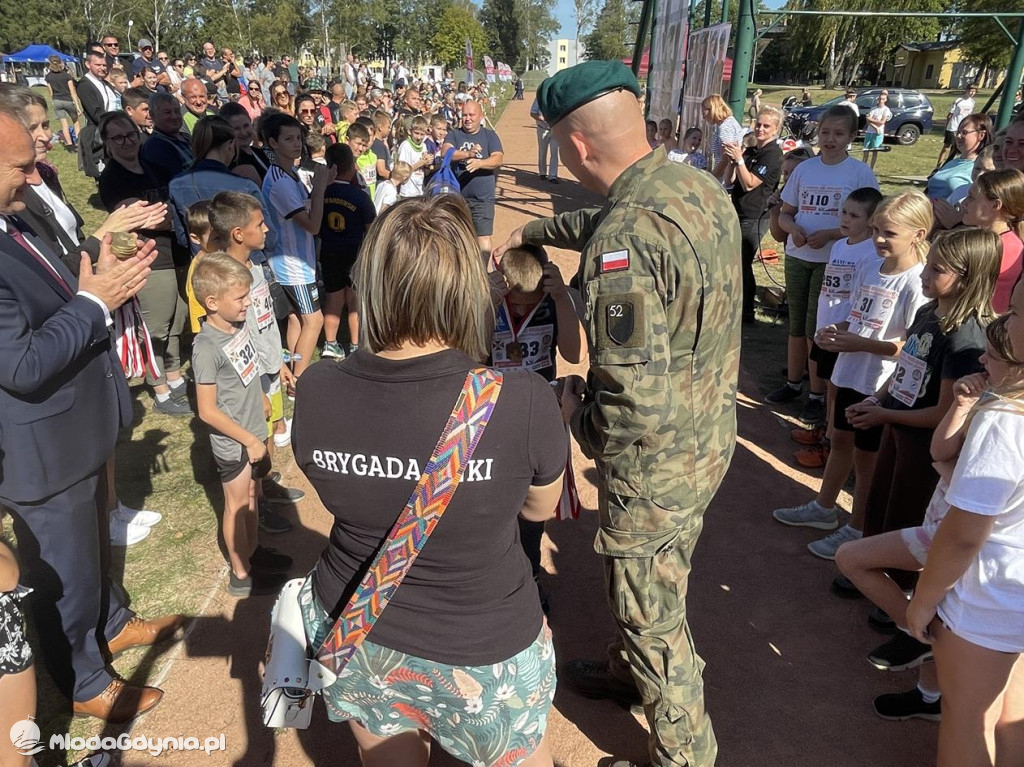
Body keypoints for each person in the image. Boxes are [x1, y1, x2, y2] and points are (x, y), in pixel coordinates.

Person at [494, 60, 740, 767]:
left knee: (650, 611)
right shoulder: (692, 185)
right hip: (706, 438)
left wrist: (573, 416)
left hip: (653, 463)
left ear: (573, 147)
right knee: (665, 574)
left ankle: (684, 753)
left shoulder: (621, 247)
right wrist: (532, 232)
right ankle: (628, 667)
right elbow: (603, 214)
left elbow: (632, 400)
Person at [292, 193, 564, 767]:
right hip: (487, 644)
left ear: (371, 281)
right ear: (469, 289)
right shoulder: (522, 399)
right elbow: (539, 512)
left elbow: (342, 487)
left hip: (357, 628)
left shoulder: (315, 389)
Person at [0, 109, 183, 722]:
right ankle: (83, 680)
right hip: (43, 447)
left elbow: (58, 279)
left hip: (75, 426)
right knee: (63, 570)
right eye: (20, 167)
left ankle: (113, 620)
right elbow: (21, 364)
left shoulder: (14, 218)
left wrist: (101, 247)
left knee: (91, 550)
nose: (31, 179)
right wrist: (95, 301)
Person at [837, 313, 1011, 722]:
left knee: (853, 558)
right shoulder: (986, 401)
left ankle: (918, 636)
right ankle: (927, 691)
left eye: (992, 356)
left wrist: (952, 470)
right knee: (930, 609)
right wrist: (962, 406)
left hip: (959, 537)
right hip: (941, 524)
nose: (981, 362)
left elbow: (978, 492)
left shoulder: (1007, 422)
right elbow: (939, 451)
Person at [905, 276, 1024, 766]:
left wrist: (922, 604)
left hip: (988, 600)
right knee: (1007, 717)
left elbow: (963, 534)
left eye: (1015, 312)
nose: (1003, 320)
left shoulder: (1005, 419)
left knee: (966, 719)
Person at [773, 192, 931, 561]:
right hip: (848, 370)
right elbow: (859, 315)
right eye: (875, 229)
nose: (878, 239)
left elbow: (910, 345)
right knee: (839, 440)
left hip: (878, 383)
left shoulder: (914, 283)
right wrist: (837, 330)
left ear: (918, 235)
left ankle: (857, 526)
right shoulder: (869, 266)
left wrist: (859, 342)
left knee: (867, 460)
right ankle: (824, 507)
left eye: (888, 233)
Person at [488, 244, 586, 609]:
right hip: (492, 418)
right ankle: (493, 580)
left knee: (532, 514)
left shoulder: (551, 301)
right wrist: (486, 302)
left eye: (531, 303)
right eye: (516, 303)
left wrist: (561, 298)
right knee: (494, 508)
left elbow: (575, 354)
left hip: (537, 416)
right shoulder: (491, 302)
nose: (522, 309)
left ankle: (528, 579)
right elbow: (465, 352)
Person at [769, 105, 879, 425]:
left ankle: (817, 394)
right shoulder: (805, 169)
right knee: (796, 323)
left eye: (838, 133)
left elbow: (870, 217)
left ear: (852, 136)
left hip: (835, 261)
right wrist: (794, 230)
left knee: (818, 327)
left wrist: (830, 233)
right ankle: (793, 382)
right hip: (798, 255)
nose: (830, 139)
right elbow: (787, 211)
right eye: (825, 132)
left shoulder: (858, 172)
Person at [191, 253, 290, 596]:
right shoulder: (205, 348)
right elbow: (207, 410)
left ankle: (254, 552)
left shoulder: (236, 327)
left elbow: (246, 372)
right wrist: (248, 440)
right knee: (235, 504)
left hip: (253, 430)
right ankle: (240, 571)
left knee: (251, 497)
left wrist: (262, 397)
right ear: (213, 302)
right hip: (236, 442)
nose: (249, 303)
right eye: (241, 298)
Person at [98, 112, 191, 417]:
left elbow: (171, 210)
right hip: (147, 257)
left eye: (131, 135)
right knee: (155, 327)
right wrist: (167, 219)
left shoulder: (152, 167)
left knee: (177, 320)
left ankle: (174, 374)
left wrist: (168, 218)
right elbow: (140, 219)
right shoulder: (113, 178)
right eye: (118, 137)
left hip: (175, 251)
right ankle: (159, 388)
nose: (127, 142)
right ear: (107, 144)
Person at [792, 187, 883, 469]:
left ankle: (830, 444)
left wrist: (845, 328)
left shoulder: (871, 254)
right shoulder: (841, 245)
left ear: (871, 221)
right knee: (829, 385)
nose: (845, 219)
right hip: (825, 324)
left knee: (837, 388)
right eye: (843, 212)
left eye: (854, 215)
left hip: (845, 332)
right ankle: (825, 430)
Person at [262, 112, 335, 379]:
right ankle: (301, 381)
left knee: (295, 318)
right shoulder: (280, 182)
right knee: (313, 321)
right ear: (272, 142)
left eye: (298, 138)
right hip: (292, 264)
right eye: (288, 139)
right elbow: (313, 225)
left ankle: (295, 370)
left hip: (292, 260)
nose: (296, 144)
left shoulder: (288, 173)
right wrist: (320, 188)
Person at [168, 115, 275, 256]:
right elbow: (269, 237)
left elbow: (183, 238)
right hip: (245, 266)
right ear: (231, 145)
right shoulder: (245, 186)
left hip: (205, 265)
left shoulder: (177, 184)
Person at [725, 105, 783, 324]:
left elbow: (750, 184)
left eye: (766, 126)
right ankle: (737, 307)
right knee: (735, 260)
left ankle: (746, 312)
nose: (760, 129)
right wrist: (732, 160)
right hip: (738, 210)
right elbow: (731, 180)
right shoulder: (750, 150)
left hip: (756, 214)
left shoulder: (773, 155)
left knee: (743, 261)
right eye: (758, 124)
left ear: (775, 129)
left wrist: (740, 160)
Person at [319, 143, 375, 359]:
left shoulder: (322, 194)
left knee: (333, 298)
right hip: (354, 255)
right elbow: (372, 229)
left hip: (329, 252)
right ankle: (355, 344)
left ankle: (330, 343)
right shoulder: (359, 196)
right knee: (354, 300)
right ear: (352, 166)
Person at [441, 100, 504, 252]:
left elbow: (498, 158)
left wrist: (480, 163)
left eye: (471, 115)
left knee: (483, 237)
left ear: (481, 116)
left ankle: (483, 270)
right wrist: (467, 154)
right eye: (464, 115)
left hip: (482, 197)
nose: (468, 119)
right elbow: (446, 153)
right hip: (458, 196)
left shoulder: (490, 136)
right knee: (457, 237)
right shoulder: (454, 134)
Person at [961, 168, 1024, 313]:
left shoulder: (1004, 246)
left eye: (971, 197)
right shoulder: (999, 239)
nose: (964, 203)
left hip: (984, 328)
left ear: (995, 205)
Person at [927, 113, 991, 201]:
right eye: (958, 132)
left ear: (981, 135)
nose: (958, 136)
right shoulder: (952, 163)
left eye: (964, 132)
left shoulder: (980, 167)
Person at [77, 48, 119, 179]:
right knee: (105, 173)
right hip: (99, 134)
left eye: (104, 65)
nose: (102, 68)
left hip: (115, 130)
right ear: (88, 64)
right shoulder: (85, 85)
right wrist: (116, 121)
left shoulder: (105, 83)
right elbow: (96, 113)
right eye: (98, 65)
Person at [140, 92, 194, 187]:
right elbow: (178, 181)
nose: (174, 116)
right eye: (167, 112)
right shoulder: (155, 146)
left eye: (177, 111)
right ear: (152, 115)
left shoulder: (186, 137)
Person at [935, 84, 978, 171]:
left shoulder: (972, 102)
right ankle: (938, 166)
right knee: (946, 147)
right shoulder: (958, 101)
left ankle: (948, 165)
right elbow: (950, 115)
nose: (972, 93)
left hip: (963, 128)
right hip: (953, 126)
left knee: (956, 149)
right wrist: (947, 126)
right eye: (970, 91)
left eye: (974, 91)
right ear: (966, 90)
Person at [702, 93, 744, 181]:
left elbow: (727, 159)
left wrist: (712, 177)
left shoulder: (725, 127)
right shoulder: (726, 123)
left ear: (712, 110)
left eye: (704, 112)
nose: (703, 117)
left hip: (724, 180)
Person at [45, 55, 81, 151]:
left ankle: (69, 146)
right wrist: (77, 105)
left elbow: (50, 92)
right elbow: (72, 91)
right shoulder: (66, 76)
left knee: (64, 124)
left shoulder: (48, 77)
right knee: (75, 121)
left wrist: (53, 101)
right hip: (68, 100)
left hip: (57, 100)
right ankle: (78, 141)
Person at [395, 115, 433, 198]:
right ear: (410, 131)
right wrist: (421, 162)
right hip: (407, 191)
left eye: (422, 134)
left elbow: (426, 171)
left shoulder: (423, 146)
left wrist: (427, 164)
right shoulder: (406, 146)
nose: (419, 137)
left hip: (419, 190)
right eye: (416, 133)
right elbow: (402, 171)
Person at [531, 94, 558, 182]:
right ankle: (542, 172)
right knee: (543, 152)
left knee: (554, 153)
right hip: (543, 129)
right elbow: (533, 113)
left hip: (555, 129)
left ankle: (553, 176)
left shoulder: (557, 98)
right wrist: (542, 118)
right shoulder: (539, 99)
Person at [864, 90, 892, 171]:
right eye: (879, 99)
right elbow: (868, 120)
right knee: (866, 150)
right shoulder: (873, 109)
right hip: (870, 131)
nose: (880, 100)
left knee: (874, 151)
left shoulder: (886, 110)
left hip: (878, 133)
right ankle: (863, 166)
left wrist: (871, 120)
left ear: (885, 100)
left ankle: (871, 168)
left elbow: (882, 122)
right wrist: (874, 126)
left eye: (883, 99)